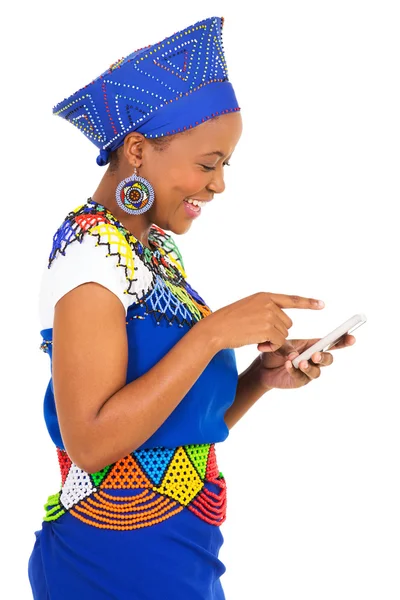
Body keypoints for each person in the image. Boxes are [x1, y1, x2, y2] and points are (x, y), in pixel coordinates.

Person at [27, 15, 356, 600]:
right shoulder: (88, 263)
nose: (219, 184)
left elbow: (169, 430)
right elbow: (93, 443)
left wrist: (261, 378)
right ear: (136, 151)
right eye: (208, 164)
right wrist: (211, 334)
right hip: (112, 561)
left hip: (180, 548)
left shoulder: (154, 251)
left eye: (225, 165)